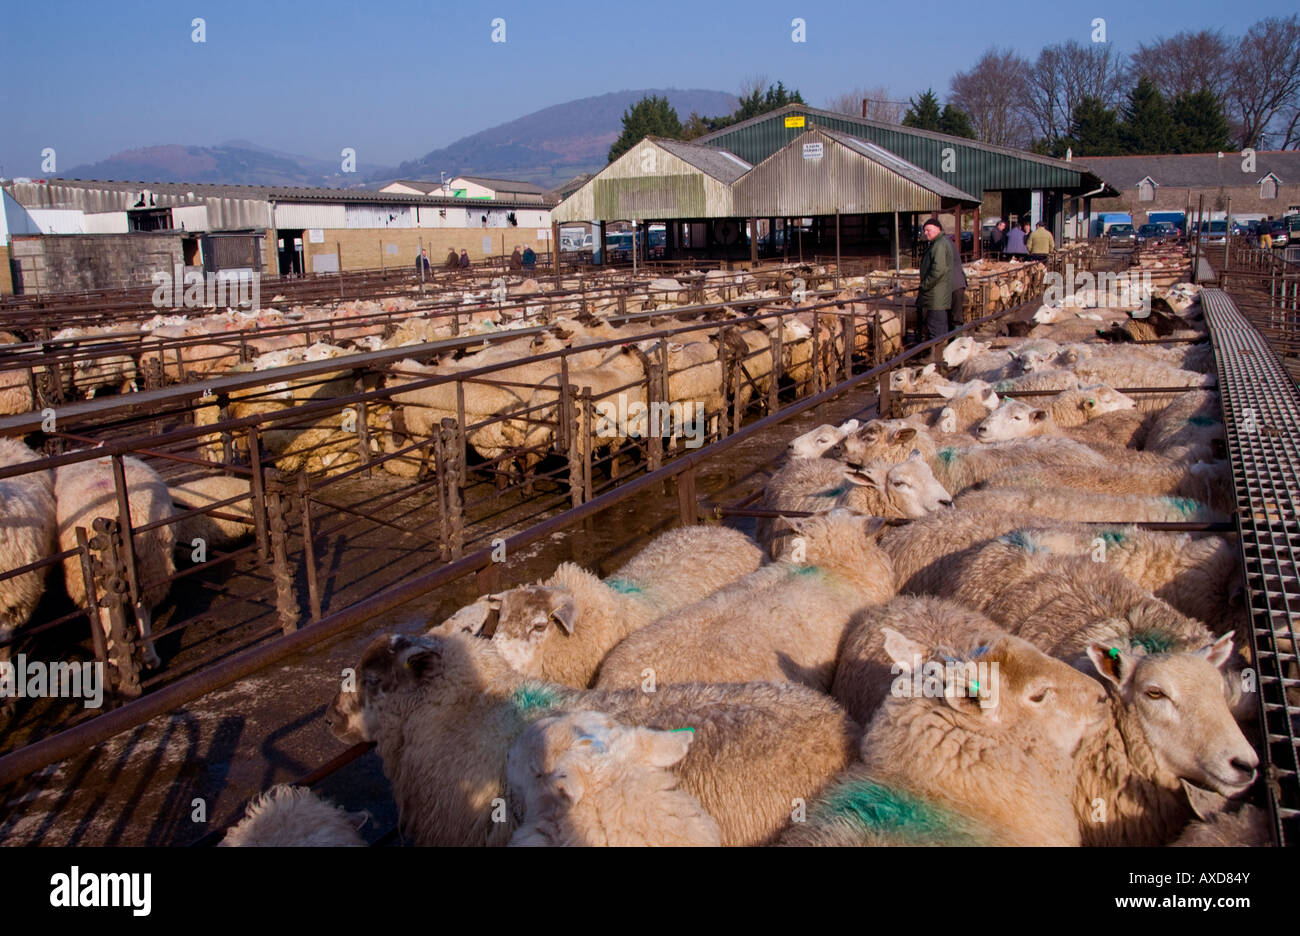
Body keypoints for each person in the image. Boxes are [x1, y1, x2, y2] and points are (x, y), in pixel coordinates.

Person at [915, 217, 954, 358]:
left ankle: (936, 361)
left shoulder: (939, 245)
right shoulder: (938, 243)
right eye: (924, 230)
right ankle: (938, 358)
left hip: (935, 295)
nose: (926, 233)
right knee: (937, 327)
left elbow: (938, 270)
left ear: (938, 229)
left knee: (935, 328)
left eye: (929, 230)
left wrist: (924, 285)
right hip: (936, 295)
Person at [948, 232, 968, 324]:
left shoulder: (944, 245)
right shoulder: (950, 245)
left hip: (954, 284)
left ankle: (955, 336)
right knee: (956, 313)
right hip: (958, 282)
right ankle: (955, 335)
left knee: (955, 314)